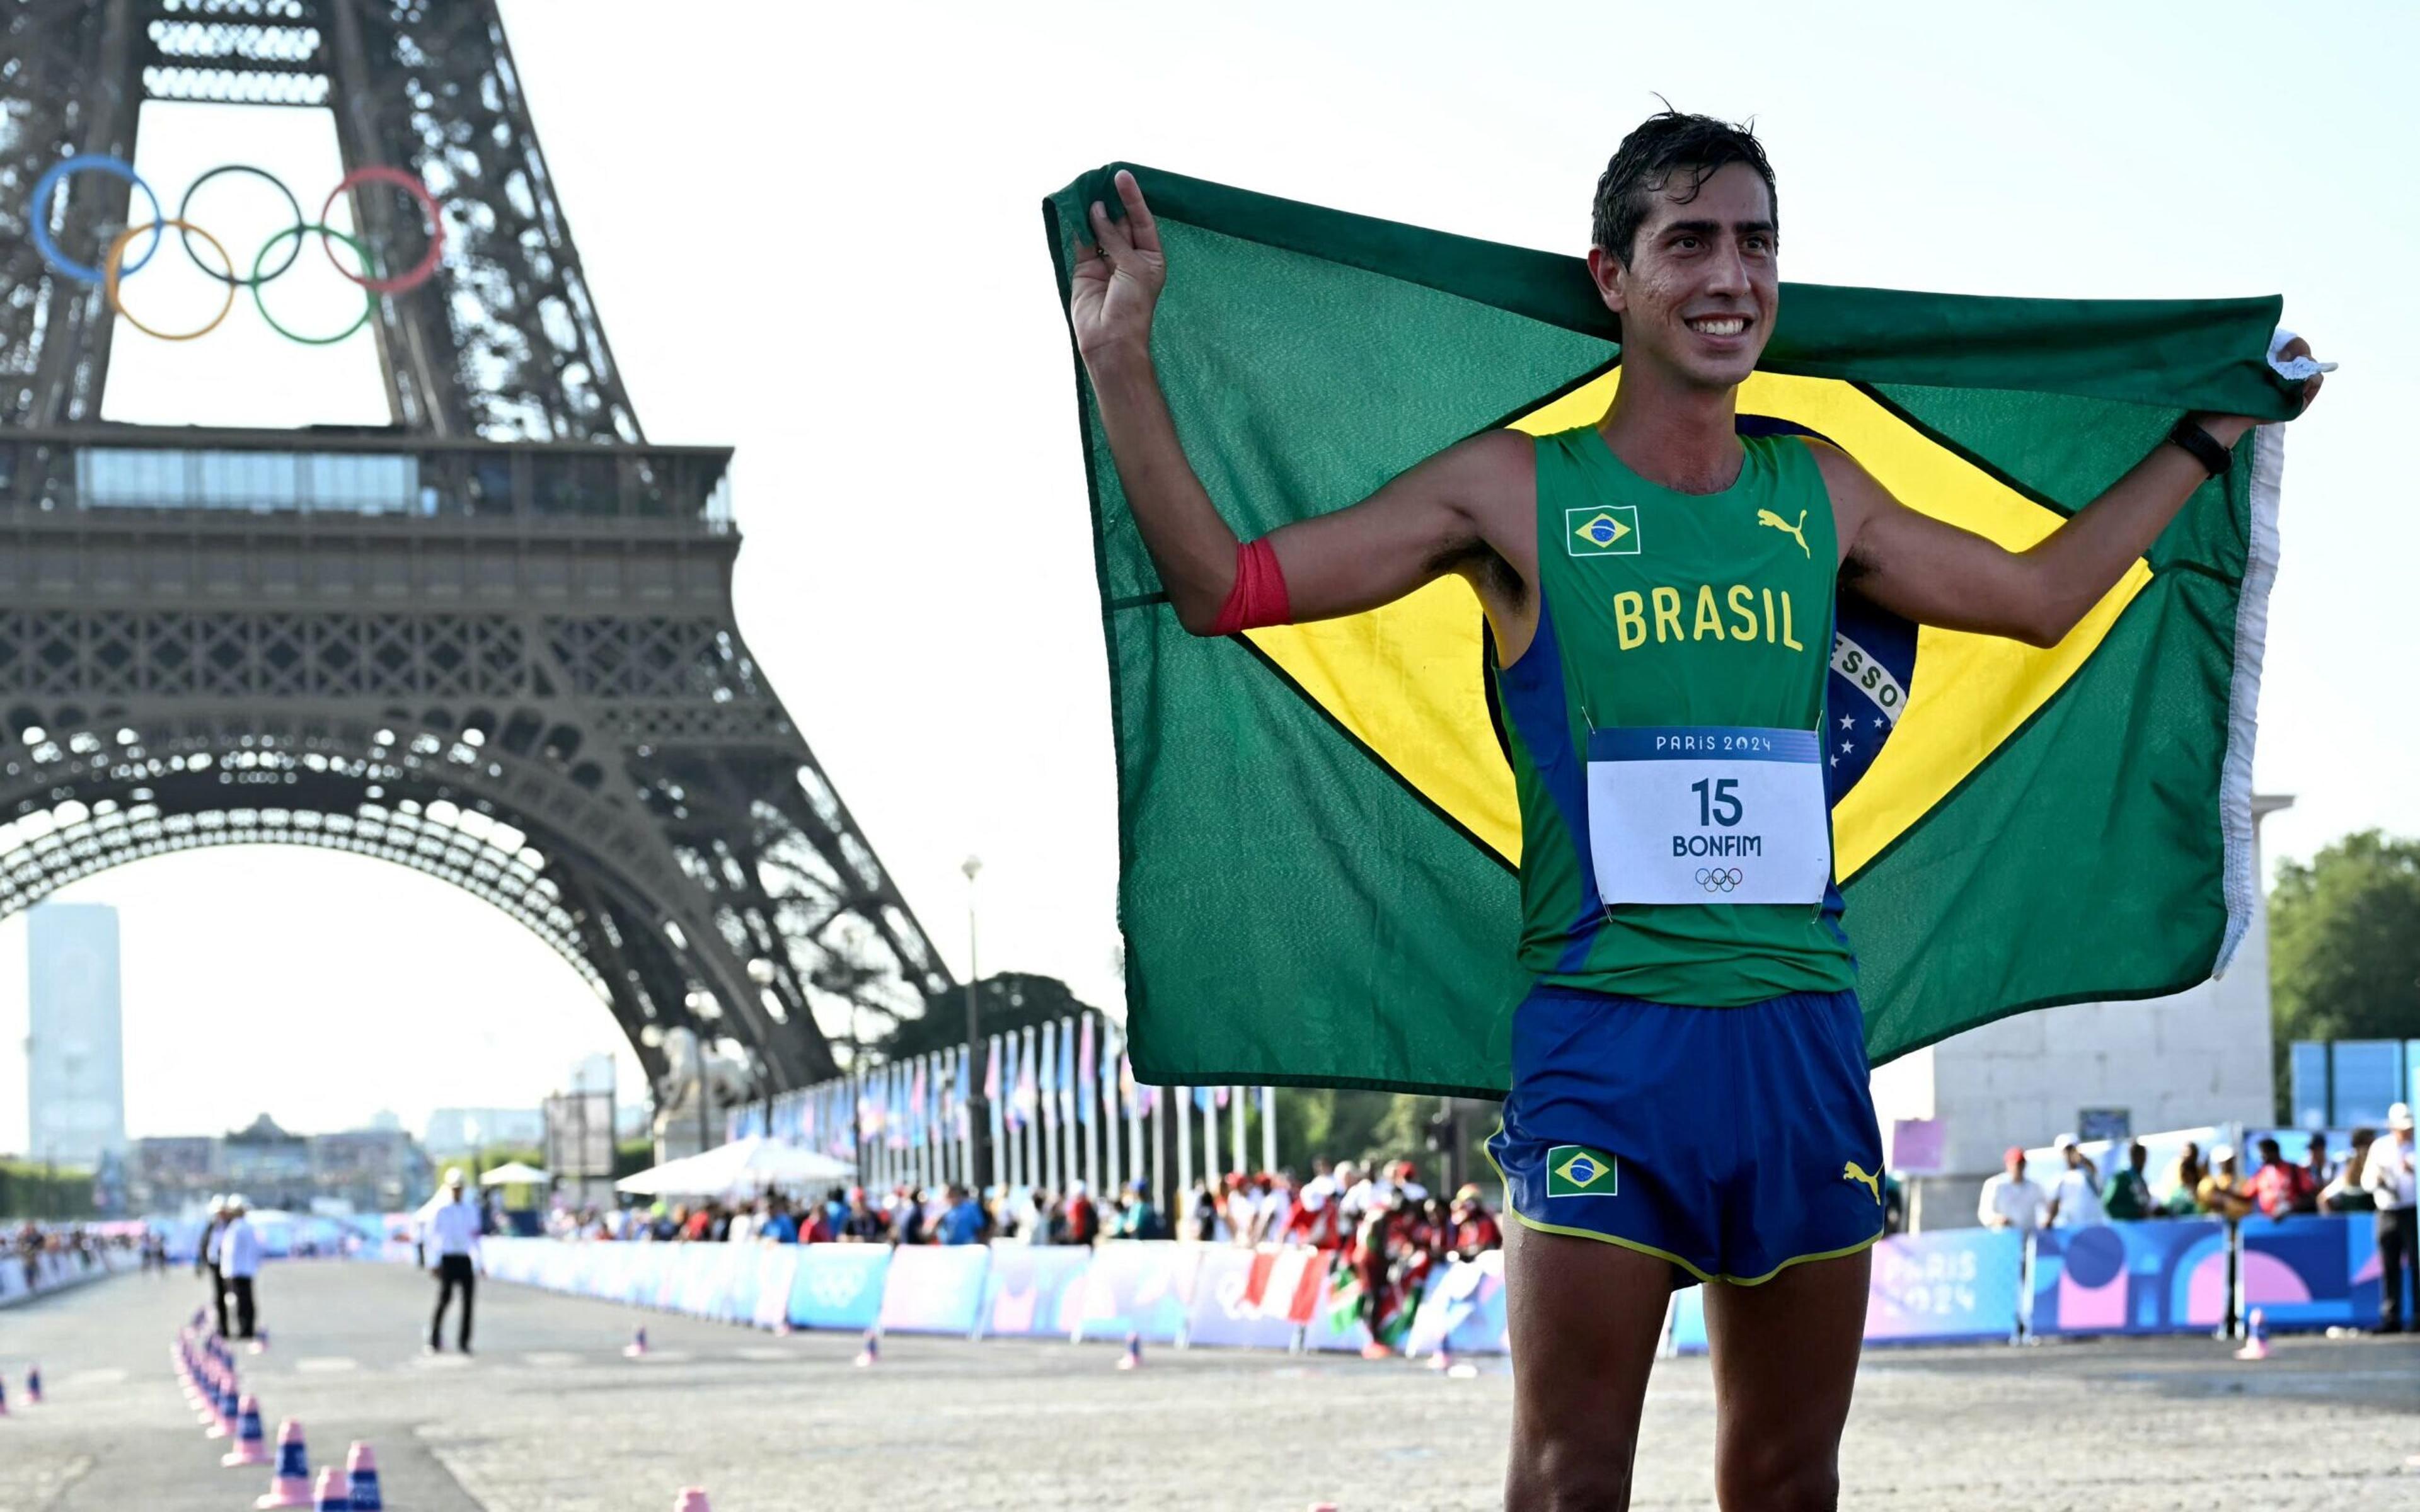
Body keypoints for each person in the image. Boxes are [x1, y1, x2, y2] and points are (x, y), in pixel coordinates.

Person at [1068, 108, 2322, 1503]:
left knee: (1790, 1482)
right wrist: (1122, 362)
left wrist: (2208, 437)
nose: (1732, 274)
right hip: (1609, 1053)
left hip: (1799, 1046)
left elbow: (2037, 598)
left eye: (1757, 243)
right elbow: (1225, 587)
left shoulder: (1818, 489)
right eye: (1691, 241)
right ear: (1609, 275)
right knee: (1568, 1475)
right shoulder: (1513, 491)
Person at [2361, 1103, 2417, 1332]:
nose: (2407, 1132)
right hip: (2387, 1212)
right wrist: (2378, 1180)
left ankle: (2418, 1316)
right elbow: (2366, 1182)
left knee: (2417, 1264)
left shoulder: (2417, 1147)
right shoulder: (2380, 1147)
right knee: (2389, 1266)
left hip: (2413, 1212)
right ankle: (2391, 1317)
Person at [422, 1168, 485, 1354]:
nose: (457, 1191)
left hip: (464, 1258)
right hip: (448, 1259)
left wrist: (480, 1262)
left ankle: (464, 1342)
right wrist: (432, 1263)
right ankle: (434, 1339)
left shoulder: (470, 1210)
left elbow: (475, 1237)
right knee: (444, 1300)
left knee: (468, 1303)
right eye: (454, 1188)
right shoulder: (441, 1210)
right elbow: (431, 1238)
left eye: (460, 1188)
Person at [220, 1195, 263, 1345]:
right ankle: (247, 1329)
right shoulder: (242, 1227)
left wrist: (228, 1272)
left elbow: (231, 1253)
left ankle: (246, 1330)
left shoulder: (239, 1228)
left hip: (238, 1271)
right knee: (246, 1301)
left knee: (243, 1302)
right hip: (244, 1270)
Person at [1977, 1147, 2048, 1234]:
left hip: (2029, 1235)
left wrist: (2045, 1221)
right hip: (2004, 1236)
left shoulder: (2034, 1187)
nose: (2019, 1168)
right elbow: (1985, 1213)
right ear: (2008, 1164)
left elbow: (2045, 1208)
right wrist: (1997, 1220)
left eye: (2021, 1164)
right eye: (2016, 1164)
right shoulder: (1996, 1184)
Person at [2044, 1135, 2107, 1228]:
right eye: (2067, 1150)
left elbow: (2100, 1187)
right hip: (2071, 1229)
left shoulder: (2088, 1173)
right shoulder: (2059, 1178)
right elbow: (2054, 1204)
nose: (2070, 1154)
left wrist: (2084, 1161)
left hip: (2093, 1227)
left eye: (2073, 1149)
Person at [2247, 1136, 2317, 1220]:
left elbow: (2312, 1195)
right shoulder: (2261, 1173)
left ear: (2274, 1152)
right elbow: (2246, 1196)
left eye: (2264, 1153)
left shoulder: (2294, 1170)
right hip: (2268, 1225)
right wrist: (2228, 1193)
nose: (2261, 1158)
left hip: (2294, 1222)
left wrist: (2290, 1207)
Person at [2320, 1129, 2378, 1215]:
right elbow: (2323, 1198)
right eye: (2369, 1144)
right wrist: (2333, 1221)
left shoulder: (2378, 1163)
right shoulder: (2343, 1164)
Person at [2195, 1145, 2256, 1222]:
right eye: (2227, 1162)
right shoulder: (2207, 1184)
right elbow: (2205, 1205)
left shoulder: (2244, 1181)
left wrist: (2228, 1193)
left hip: (2244, 1223)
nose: (2230, 1164)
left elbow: (2248, 1201)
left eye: (2232, 1160)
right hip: (2217, 1227)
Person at [2101, 1140, 2155, 1222]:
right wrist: (2133, 1213)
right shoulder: (2121, 1178)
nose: (2142, 1159)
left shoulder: (2140, 1179)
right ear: (2132, 1157)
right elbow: (2109, 1205)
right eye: (2138, 1155)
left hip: (2142, 1227)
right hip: (2125, 1229)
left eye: (2143, 1156)